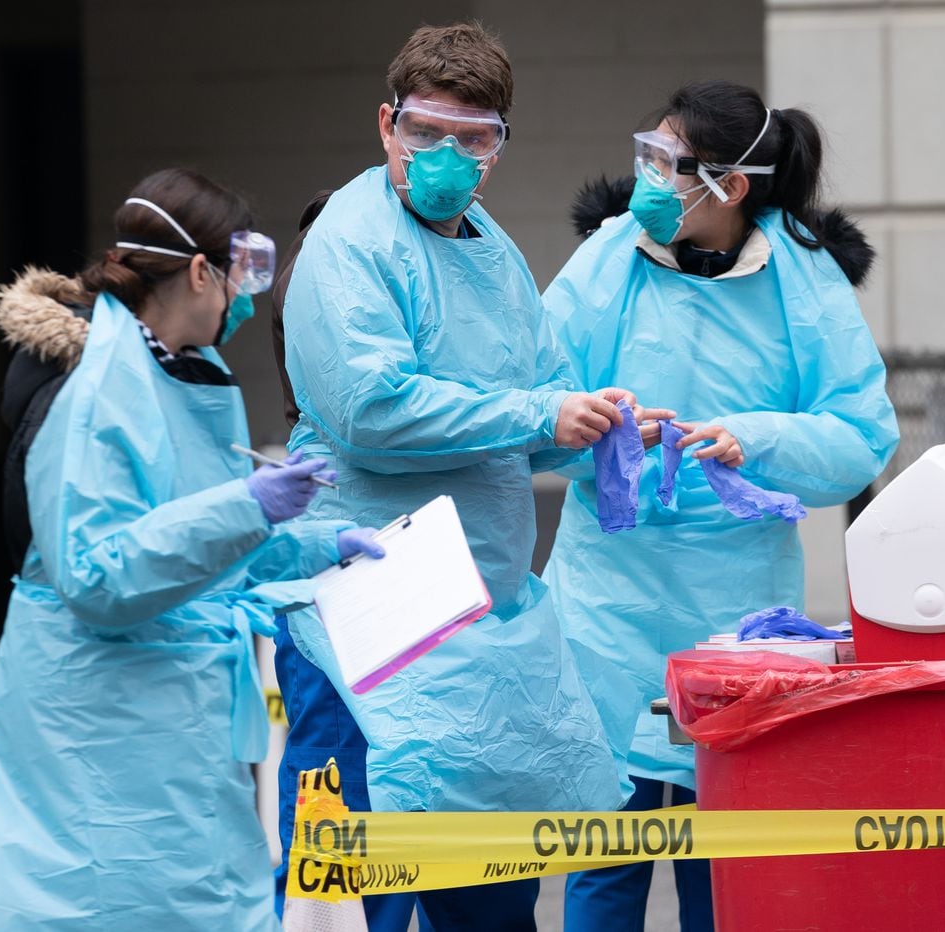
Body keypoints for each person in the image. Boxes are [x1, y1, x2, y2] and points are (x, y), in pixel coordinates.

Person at [271, 23, 651, 932]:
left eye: (472, 138)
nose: (447, 156)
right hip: (363, 607)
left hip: (477, 617)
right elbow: (372, 411)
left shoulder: (493, 251)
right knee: (360, 896)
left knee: (488, 894)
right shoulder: (349, 244)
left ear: (499, 146)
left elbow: (537, 406)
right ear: (386, 125)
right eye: (426, 131)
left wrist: (600, 430)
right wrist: (538, 415)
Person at [0, 168, 383, 931]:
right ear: (201, 271)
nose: (246, 296)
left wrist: (317, 544)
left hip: (168, 726)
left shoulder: (180, 375)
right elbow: (97, 575)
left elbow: (204, 548)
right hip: (95, 726)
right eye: (242, 271)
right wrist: (248, 505)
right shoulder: (94, 393)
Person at [542, 80, 901, 931]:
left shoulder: (804, 281)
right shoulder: (608, 258)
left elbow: (861, 438)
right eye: (648, 154)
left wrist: (756, 438)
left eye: (669, 163)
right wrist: (600, 430)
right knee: (606, 856)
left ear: (732, 186)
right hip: (606, 606)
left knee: (727, 871)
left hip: (737, 616)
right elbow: (531, 407)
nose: (649, 178)